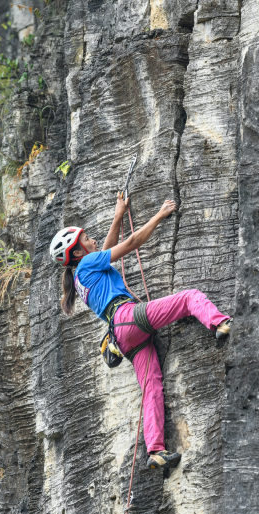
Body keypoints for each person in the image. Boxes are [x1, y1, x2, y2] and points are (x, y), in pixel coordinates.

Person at [49, 193, 232, 470]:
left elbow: (106, 252)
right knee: (188, 298)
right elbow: (132, 243)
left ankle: (156, 450)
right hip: (129, 318)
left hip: (122, 336)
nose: (93, 240)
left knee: (151, 387)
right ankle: (220, 323)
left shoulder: (79, 279)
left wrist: (119, 215)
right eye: (86, 239)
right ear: (76, 252)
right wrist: (159, 214)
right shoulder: (87, 264)